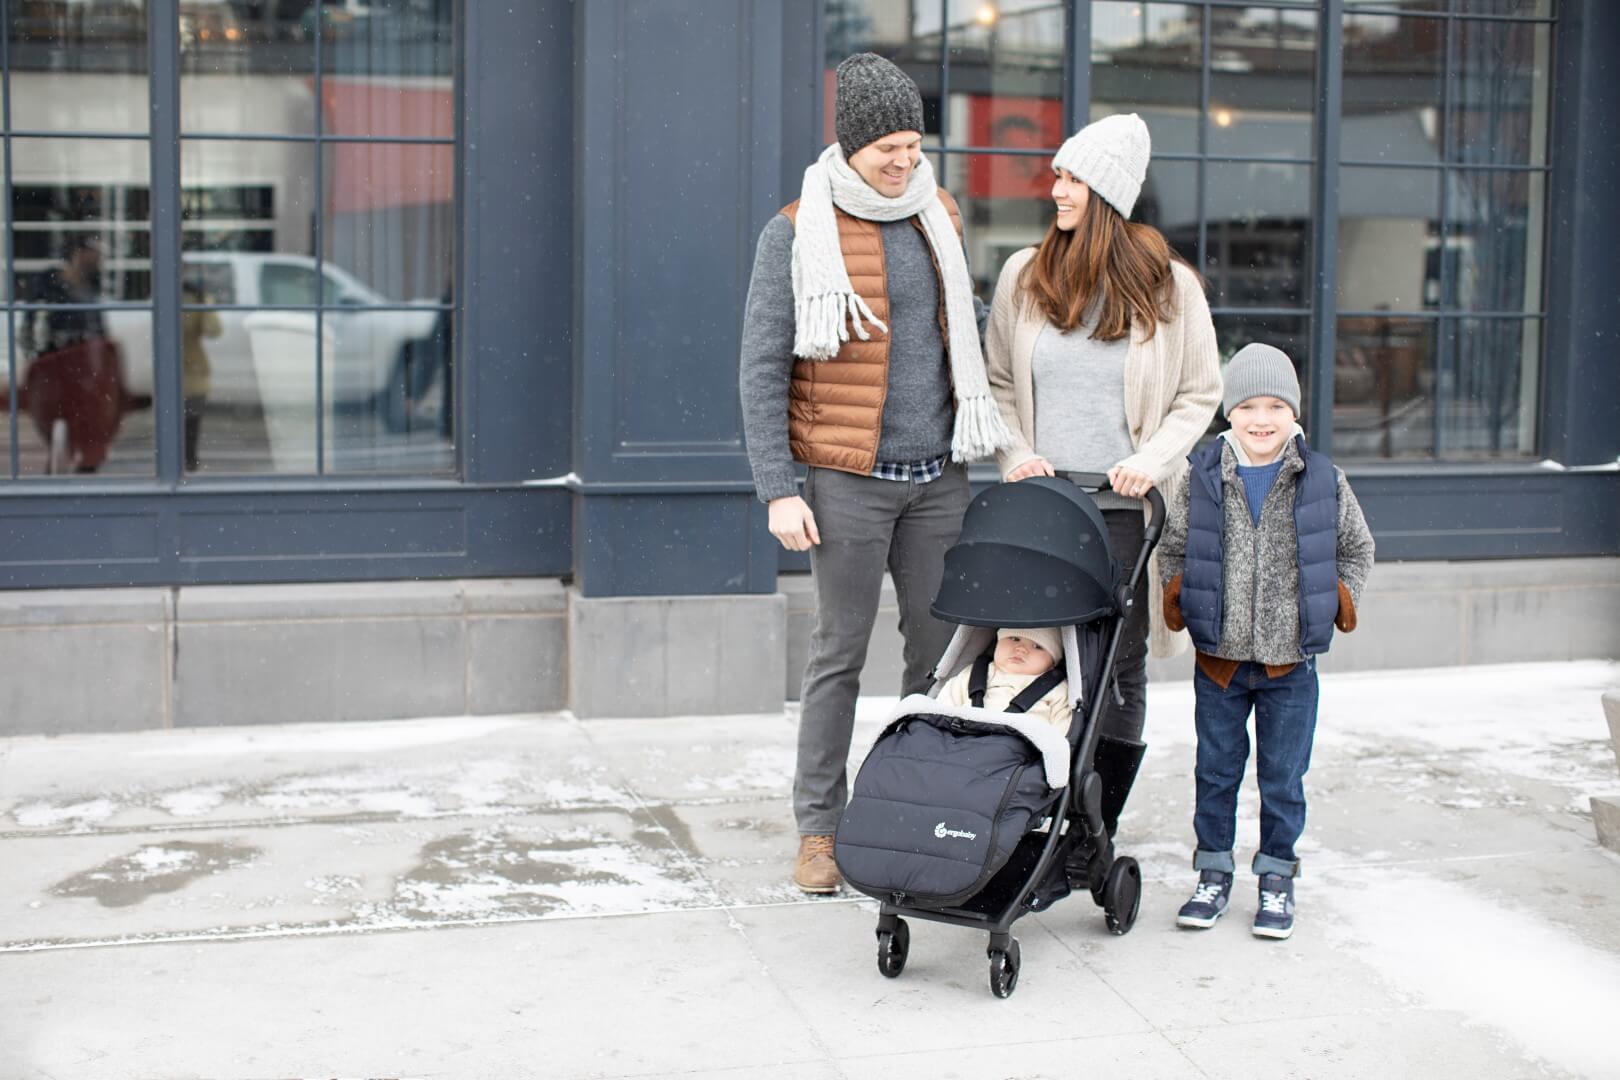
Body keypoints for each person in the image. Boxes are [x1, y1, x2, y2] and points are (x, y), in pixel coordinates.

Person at [739, 52, 1013, 894]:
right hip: (846, 480)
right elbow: (762, 366)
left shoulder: (940, 213)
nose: (904, 161)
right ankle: (819, 830)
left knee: (938, 658)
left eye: (913, 145)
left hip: (939, 478)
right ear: (851, 144)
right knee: (839, 655)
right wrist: (778, 488)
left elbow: (964, 325)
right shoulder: (796, 230)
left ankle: (914, 812)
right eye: (888, 148)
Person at [983, 113, 1221, 838]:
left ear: (1108, 193)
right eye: (1057, 176)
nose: (1056, 190)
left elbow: (1200, 393)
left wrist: (1150, 462)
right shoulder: (1025, 275)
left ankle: (1095, 824)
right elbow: (997, 383)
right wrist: (1015, 455)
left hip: (1124, 511)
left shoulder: (1169, 286)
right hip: (1042, 506)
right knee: (1028, 650)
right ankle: (1025, 808)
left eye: (1072, 179)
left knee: (1117, 664)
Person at [1158, 343, 1375, 939]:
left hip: (1290, 665)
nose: (1261, 419)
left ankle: (1277, 876)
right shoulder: (1203, 477)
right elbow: (1174, 546)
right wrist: (1179, 592)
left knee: (1282, 778)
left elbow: (1357, 548)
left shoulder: (1322, 479)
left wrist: (1339, 598)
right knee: (1216, 773)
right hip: (1220, 663)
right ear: (1229, 412)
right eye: (1248, 406)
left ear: (1294, 413)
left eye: (1275, 406)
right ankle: (1213, 872)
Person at [940, 627, 1071, 733]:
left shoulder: (1057, 689)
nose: (1021, 649)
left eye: (1037, 646)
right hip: (962, 738)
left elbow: (1062, 734)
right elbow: (943, 707)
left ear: (1052, 663)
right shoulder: (975, 673)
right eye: (1015, 638)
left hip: (1020, 750)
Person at [181, 282, 224, 472]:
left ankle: (188, 459)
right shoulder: (165, 295)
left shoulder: (194, 300)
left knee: (191, 418)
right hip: (174, 367)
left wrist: (205, 305)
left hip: (193, 369)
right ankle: (184, 459)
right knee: (176, 420)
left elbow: (214, 331)